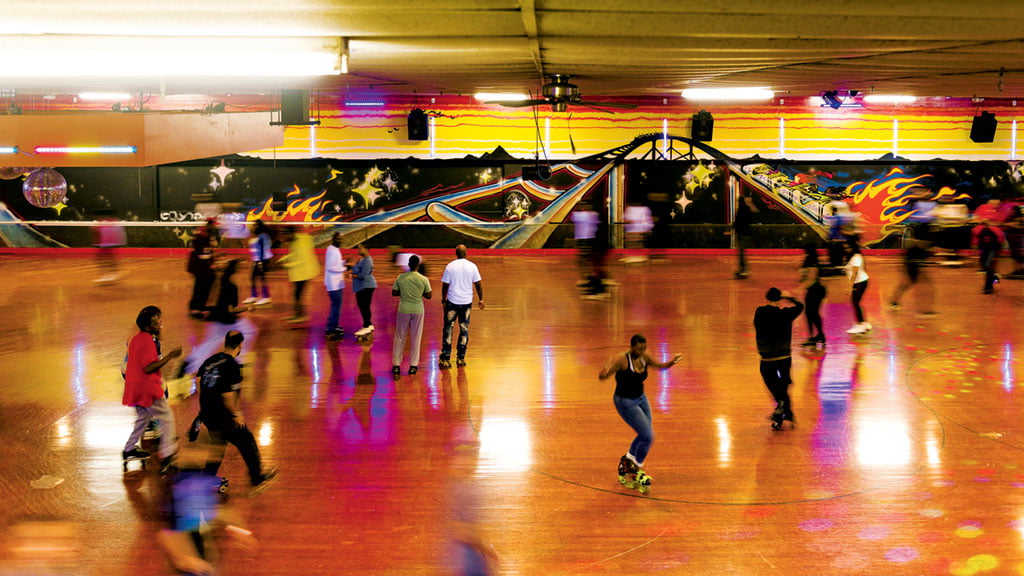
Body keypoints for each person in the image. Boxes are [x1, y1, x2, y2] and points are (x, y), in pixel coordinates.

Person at [598, 334, 681, 492]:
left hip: (641, 398)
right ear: (631, 347)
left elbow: (659, 366)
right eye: (639, 349)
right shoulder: (622, 360)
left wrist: (672, 362)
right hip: (625, 401)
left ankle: (627, 462)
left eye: (644, 348)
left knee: (645, 434)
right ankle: (636, 469)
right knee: (648, 435)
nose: (642, 351)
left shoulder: (644, 357)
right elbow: (603, 376)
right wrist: (605, 370)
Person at [195, 330, 276, 488]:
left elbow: (198, 381)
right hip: (223, 415)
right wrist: (235, 415)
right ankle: (257, 478)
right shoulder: (232, 365)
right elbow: (228, 396)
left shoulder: (211, 360)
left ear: (225, 343)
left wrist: (208, 400)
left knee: (218, 446)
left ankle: (207, 479)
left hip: (207, 413)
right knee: (247, 440)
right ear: (240, 345)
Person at [122, 305, 182, 472]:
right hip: (147, 387)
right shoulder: (148, 341)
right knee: (167, 417)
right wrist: (170, 356)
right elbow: (148, 367)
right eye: (155, 324)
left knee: (143, 418)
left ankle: (129, 449)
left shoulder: (136, 339)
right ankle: (168, 454)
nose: (159, 326)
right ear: (148, 326)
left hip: (134, 386)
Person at [180, 259, 258, 375]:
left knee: (207, 346)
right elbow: (230, 310)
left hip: (218, 320)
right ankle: (238, 359)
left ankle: (188, 365)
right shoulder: (232, 287)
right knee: (250, 331)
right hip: (228, 321)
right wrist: (248, 308)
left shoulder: (221, 282)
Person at [753, 288, 804, 430]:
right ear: (779, 299)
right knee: (784, 383)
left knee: (773, 385)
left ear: (767, 298)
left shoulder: (760, 312)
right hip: (784, 357)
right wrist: (791, 299)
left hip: (767, 358)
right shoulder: (786, 314)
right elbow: (800, 307)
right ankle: (784, 411)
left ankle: (782, 408)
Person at [439, 245, 484, 368]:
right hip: (466, 302)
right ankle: (460, 358)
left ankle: (446, 357)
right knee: (464, 329)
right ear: (466, 253)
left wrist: (444, 299)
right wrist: (481, 299)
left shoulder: (450, 266)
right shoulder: (472, 266)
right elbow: (478, 284)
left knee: (448, 328)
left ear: (456, 253)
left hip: (452, 302)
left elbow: (445, 285)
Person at [392, 254, 432, 376]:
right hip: (418, 310)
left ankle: (396, 365)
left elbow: (394, 292)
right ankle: (413, 366)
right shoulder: (423, 279)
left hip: (403, 309)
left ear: (408, 265)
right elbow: (429, 295)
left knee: (399, 336)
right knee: (416, 337)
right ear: (418, 266)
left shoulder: (401, 277)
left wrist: (404, 292)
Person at [280, 226, 320, 323]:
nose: (283, 238)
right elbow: (295, 254)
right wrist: (284, 259)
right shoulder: (294, 240)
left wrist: (287, 265)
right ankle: (298, 314)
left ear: (290, 234)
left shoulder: (300, 242)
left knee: (297, 294)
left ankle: (301, 315)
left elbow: (302, 259)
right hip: (301, 272)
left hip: (305, 272)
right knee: (297, 294)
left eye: (285, 235)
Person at [890, 238, 935, 313]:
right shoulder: (914, 250)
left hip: (915, 270)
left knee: (925, 288)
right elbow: (907, 263)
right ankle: (924, 309)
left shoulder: (923, 251)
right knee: (921, 288)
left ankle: (894, 301)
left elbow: (923, 263)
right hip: (911, 270)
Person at [187, 219, 219, 318]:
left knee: (201, 286)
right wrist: (211, 264)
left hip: (200, 266)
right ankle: (196, 308)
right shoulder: (203, 236)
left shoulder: (204, 234)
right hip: (200, 267)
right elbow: (203, 253)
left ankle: (198, 307)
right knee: (201, 287)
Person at [798, 244, 827, 347]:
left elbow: (811, 279)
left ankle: (815, 336)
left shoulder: (810, 260)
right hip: (816, 290)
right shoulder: (812, 259)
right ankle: (819, 335)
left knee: (811, 313)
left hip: (815, 291)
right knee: (812, 313)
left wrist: (797, 290)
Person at [844, 239, 872, 334]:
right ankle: (864, 323)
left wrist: (850, 287)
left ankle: (860, 325)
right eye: (845, 248)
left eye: (848, 247)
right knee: (856, 303)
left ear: (853, 247)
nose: (846, 249)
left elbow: (855, 273)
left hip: (860, 282)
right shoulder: (854, 256)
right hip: (860, 282)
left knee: (855, 303)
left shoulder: (856, 257)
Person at [243, 219, 273, 306]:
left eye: (256, 225)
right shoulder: (257, 236)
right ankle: (254, 296)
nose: (254, 226)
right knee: (252, 277)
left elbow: (264, 249)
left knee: (262, 278)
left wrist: (260, 262)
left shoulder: (263, 236)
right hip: (257, 259)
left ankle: (266, 297)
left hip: (262, 260)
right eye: (254, 225)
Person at [351, 243, 378, 338]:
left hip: (366, 286)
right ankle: (369, 324)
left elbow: (364, 275)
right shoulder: (362, 259)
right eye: (358, 249)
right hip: (362, 286)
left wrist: (352, 276)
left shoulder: (367, 260)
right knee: (363, 306)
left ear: (366, 249)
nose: (358, 250)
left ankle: (366, 326)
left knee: (364, 306)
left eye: (360, 249)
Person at [324, 232, 347, 339]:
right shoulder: (333, 250)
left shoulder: (333, 249)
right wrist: (345, 268)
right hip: (334, 285)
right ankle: (330, 329)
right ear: (334, 239)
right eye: (338, 239)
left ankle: (334, 326)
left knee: (336, 306)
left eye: (341, 239)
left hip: (335, 284)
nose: (340, 241)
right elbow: (331, 267)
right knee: (335, 307)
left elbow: (335, 264)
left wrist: (343, 262)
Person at [973, 220, 1006, 294]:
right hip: (987, 249)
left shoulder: (979, 230)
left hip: (992, 249)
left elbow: (976, 241)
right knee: (985, 266)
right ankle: (993, 279)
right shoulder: (995, 230)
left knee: (988, 266)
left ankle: (988, 286)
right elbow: (1001, 241)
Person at [733, 190, 757, 278]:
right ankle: (744, 269)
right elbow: (754, 213)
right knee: (742, 252)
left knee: (741, 252)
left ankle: (744, 270)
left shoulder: (742, 208)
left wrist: (733, 228)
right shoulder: (747, 208)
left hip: (742, 232)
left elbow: (738, 220)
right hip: (746, 232)